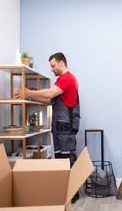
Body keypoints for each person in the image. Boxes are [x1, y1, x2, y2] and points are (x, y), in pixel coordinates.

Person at [15, 52, 81, 203]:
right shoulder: (61, 81)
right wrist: (29, 96)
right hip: (59, 127)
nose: (51, 69)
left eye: (53, 66)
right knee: (60, 160)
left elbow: (50, 93)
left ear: (61, 63)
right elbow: (48, 99)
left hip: (66, 128)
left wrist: (29, 92)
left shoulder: (67, 78)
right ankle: (65, 193)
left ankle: (73, 194)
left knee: (67, 159)